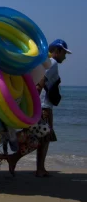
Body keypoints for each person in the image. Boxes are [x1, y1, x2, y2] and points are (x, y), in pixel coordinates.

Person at [7, 39, 71, 177]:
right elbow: (41, 83)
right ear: (57, 51)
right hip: (43, 107)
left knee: (42, 137)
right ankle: (21, 159)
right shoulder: (52, 63)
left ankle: (37, 167)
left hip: (42, 106)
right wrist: (34, 103)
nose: (65, 57)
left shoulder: (45, 63)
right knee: (44, 136)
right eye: (64, 53)